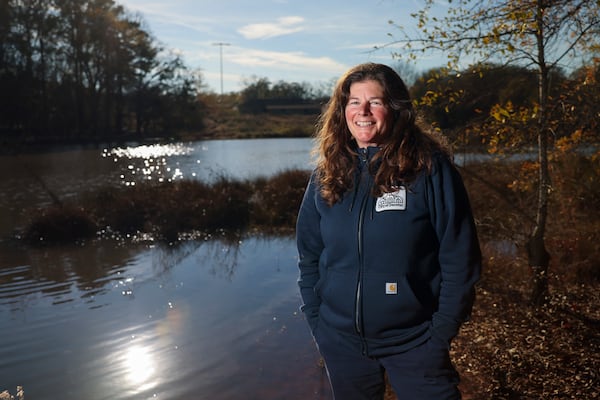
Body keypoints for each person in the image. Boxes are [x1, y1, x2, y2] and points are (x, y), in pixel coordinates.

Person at [296, 62, 481, 400]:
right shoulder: (326, 176)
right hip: (342, 344)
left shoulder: (428, 170)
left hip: (415, 343)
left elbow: (461, 258)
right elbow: (309, 255)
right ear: (342, 111)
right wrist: (317, 321)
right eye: (354, 102)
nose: (363, 111)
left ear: (395, 109)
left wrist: (440, 333)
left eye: (375, 102)